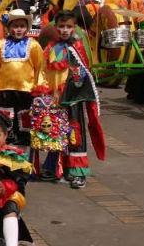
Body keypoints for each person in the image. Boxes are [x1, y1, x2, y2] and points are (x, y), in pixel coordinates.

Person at [41, 10, 105, 188]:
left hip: (73, 100)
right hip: (54, 99)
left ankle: (78, 172)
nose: (64, 30)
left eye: (69, 26)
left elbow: (82, 72)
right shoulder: (51, 48)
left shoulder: (78, 46)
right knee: (54, 132)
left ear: (74, 27)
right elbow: (43, 71)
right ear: (56, 27)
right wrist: (45, 91)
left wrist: (72, 87)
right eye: (61, 26)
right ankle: (55, 167)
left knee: (75, 132)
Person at [0, 8, 47, 146]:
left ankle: (23, 145)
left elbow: (40, 68)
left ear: (27, 28)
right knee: (4, 117)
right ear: (8, 28)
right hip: (4, 89)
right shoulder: (0, 45)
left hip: (26, 90)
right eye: (15, 26)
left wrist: (39, 87)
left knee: (24, 117)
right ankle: (5, 142)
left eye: (22, 26)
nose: (18, 29)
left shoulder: (34, 45)